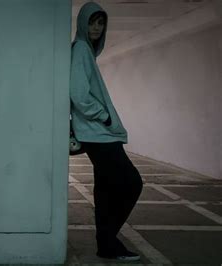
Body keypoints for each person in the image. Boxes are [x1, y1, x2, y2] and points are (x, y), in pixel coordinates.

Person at [70, 2, 143, 261]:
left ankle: (107, 246)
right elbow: (78, 94)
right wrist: (105, 116)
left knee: (105, 190)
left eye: (101, 23)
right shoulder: (80, 49)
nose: (97, 28)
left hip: (95, 132)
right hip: (97, 132)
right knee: (132, 183)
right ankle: (108, 239)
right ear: (82, 23)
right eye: (92, 22)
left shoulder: (85, 52)